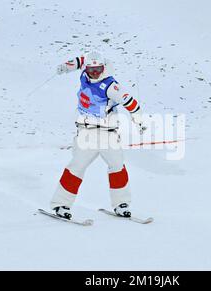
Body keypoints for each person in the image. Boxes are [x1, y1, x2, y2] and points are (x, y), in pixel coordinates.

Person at [50, 51, 146, 220]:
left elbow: (131, 103)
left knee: (117, 166)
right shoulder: (84, 74)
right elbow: (79, 61)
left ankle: (121, 204)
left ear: (104, 68)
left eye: (98, 70)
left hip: (107, 134)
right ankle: (61, 204)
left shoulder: (111, 85)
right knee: (76, 166)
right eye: (91, 70)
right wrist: (66, 66)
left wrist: (139, 121)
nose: (95, 73)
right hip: (86, 132)